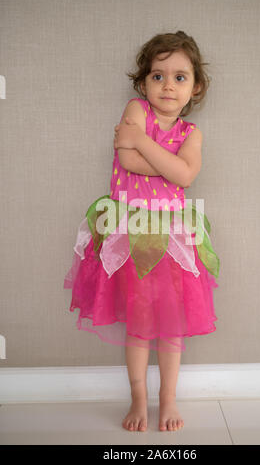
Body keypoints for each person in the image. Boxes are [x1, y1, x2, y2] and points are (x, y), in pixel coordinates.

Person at [63, 31, 220, 433]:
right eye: (158, 75)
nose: (168, 84)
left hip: (171, 239)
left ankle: (167, 399)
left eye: (180, 77)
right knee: (138, 322)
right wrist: (162, 162)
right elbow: (129, 162)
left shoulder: (192, 135)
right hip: (128, 234)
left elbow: (185, 174)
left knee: (170, 325)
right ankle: (137, 398)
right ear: (143, 83)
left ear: (195, 86)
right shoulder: (136, 109)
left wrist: (144, 145)